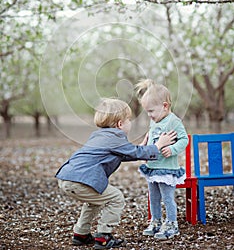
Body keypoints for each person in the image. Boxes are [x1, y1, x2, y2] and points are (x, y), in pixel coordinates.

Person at [55, 98, 177, 249]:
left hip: (67, 178)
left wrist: (143, 150)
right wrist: (158, 145)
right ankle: (104, 237)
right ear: (120, 124)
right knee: (115, 198)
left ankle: (81, 234)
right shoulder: (116, 137)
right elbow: (132, 152)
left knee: (95, 200)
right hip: (82, 180)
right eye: (129, 120)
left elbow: (125, 154)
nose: (130, 123)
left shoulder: (99, 135)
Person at [135, 79, 188, 240]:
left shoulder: (174, 121)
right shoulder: (154, 121)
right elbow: (152, 135)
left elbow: (184, 139)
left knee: (167, 197)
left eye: (151, 111)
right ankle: (156, 220)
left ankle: (172, 223)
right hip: (152, 166)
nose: (150, 115)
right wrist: (145, 143)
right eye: (147, 112)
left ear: (165, 106)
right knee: (154, 197)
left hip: (167, 168)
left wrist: (172, 149)